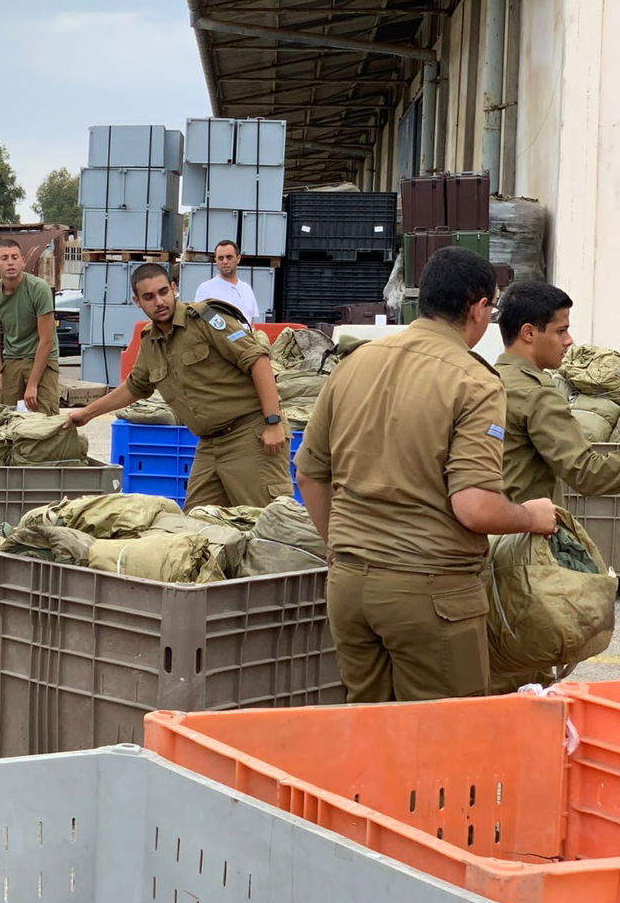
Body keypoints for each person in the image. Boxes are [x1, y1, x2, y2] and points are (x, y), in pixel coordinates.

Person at [295, 247, 558, 704]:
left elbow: (309, 474)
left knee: (369, 727)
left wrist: (341, 547)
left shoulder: (356, 363)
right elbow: (474, 506)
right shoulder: (474, 381)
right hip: (430, 590)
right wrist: (531, 517)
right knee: (448, 735)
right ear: (479, 308)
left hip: (349, 588)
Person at [67, 262, 291, 508]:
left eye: (163, 292)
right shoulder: (151, 341)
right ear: (137, 301)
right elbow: (135, 387)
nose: (159, 302)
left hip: (249, 434)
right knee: (197, 521)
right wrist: (87, 413)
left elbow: (257, 361)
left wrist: (273, 422)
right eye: (149, 297)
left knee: (266, 519)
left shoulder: (206, 318)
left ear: (174, 288)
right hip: (209, 444)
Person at [496, 281, 620, 501]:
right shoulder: (537, 393)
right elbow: (587, 474)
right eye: (561, 331)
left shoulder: (490, 379)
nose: (569, 341)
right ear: (529, 333)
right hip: (527, 518)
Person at [0, 238, 59, 414]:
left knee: (45, 418)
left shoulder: (39, 289)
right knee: (8, 416)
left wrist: (32, 385)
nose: (10, 262)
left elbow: (47, 340)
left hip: (40, 358)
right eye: (4, 258)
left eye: (15, 257)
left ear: (23, 261)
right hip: (12, 360)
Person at [193, 239, 260, 322]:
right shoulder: (206, 289)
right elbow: (198, 321)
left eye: (229, 257)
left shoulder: (246, 289)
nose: (225, 261)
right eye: (220, 258)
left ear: (238, 259)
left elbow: (251, 322)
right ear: (216, 261)